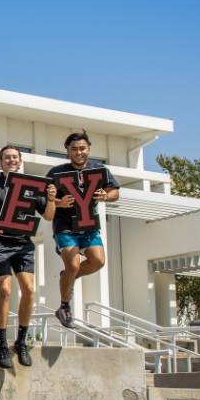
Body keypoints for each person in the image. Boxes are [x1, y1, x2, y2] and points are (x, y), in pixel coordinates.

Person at [0, 146, 56, 369]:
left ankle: (21, 341)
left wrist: (51, 199)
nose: (11, 160)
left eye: (14, 157)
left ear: (20, 161)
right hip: (0, 244)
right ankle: (2, 343)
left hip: (23, 244)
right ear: (0, 162)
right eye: (6, 157)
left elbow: (48, 215)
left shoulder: (31, 187)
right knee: (5, 290)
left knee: (29, 290)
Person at [47, 131, 120, 327]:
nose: (79, 152)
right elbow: (43, 199)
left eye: (82, 148)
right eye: (74, 149)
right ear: (67, 152)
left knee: (98, 261)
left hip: (89, 226)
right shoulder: (56, 172)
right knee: (72, 264)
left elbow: (115, 192)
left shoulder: (99, 170)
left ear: (89, 149)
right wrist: (58, 202)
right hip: (65, 227)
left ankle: (69, 277)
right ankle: (64, 306)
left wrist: (106, 195)